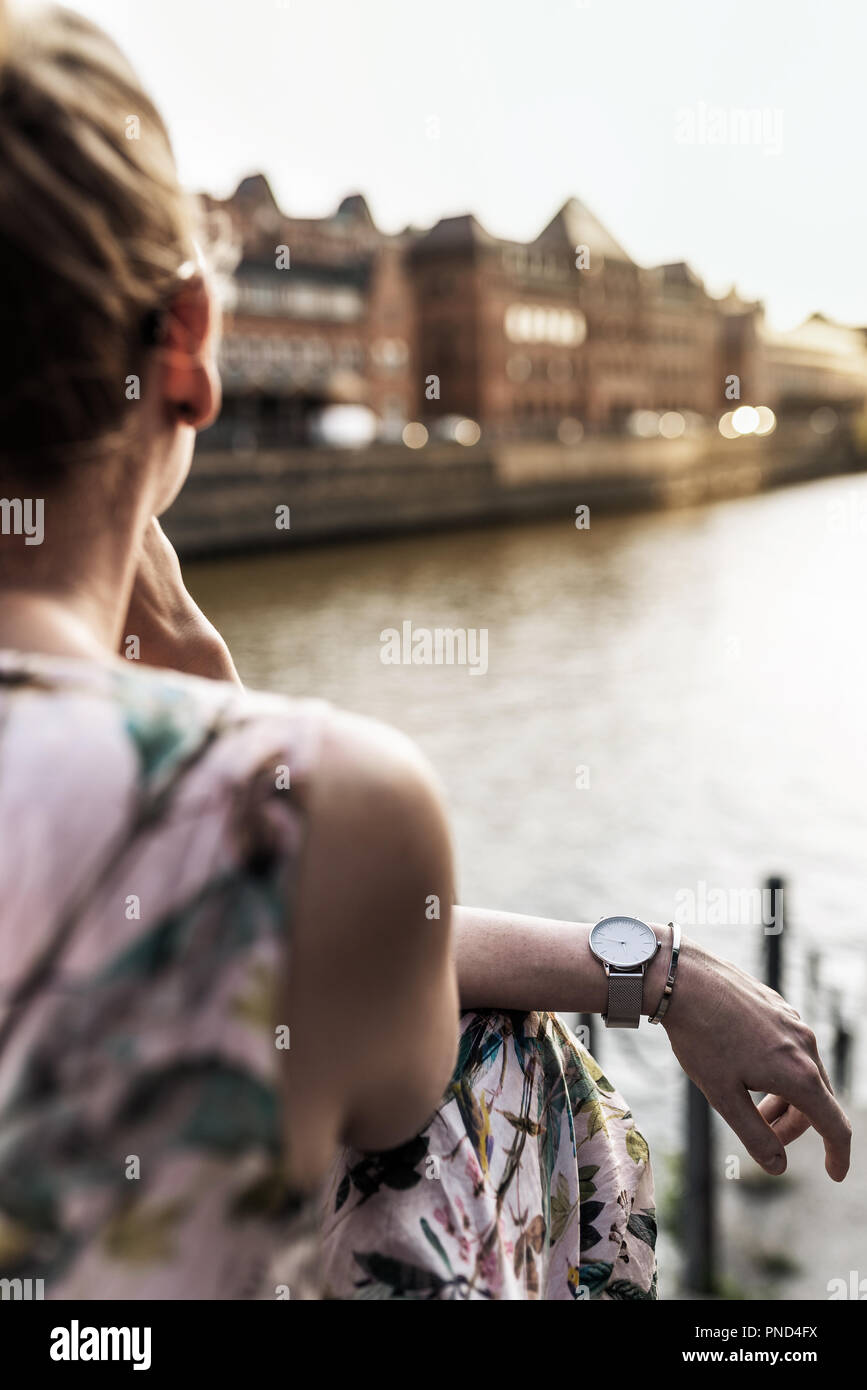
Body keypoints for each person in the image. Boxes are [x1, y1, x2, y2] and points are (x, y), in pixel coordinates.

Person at [0, 2, 850, 1302]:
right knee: (498, 1075)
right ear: (189, 348)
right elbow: (335, 944)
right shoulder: (326, 807)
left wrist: (661, 970)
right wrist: (199, 674)